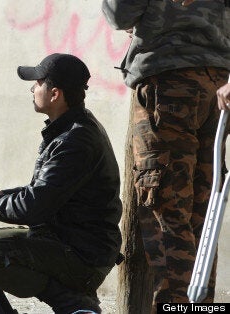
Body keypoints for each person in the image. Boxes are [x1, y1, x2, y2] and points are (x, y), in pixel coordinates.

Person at [0, 53, 122, 314]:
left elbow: (35, 207)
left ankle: (73, 305)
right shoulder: (72, 128)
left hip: (82, 253)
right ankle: (78, 300)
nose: (32, 88)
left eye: (37, 83)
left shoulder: (75, 140)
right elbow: (47, 192)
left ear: (55, 93)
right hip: (75, 243)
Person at [102, 0, 230, 306]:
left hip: (168, 82)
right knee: (202, 217)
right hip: (216, 82)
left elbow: (119, 15)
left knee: (167, 212)